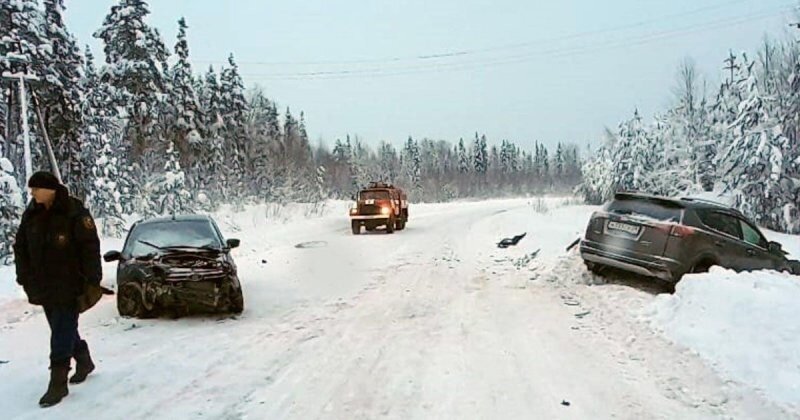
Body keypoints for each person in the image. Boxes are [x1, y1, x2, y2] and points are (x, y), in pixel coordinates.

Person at [13, 171, 102, 407]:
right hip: (42, 284)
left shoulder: (74, 212)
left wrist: (92, 280)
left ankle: (58, 382)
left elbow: (90, 247)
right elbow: (20, 246)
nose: (31, 193)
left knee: (61, 327)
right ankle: (83, 359)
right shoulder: (32, 213)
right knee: (61, 327)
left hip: (69, 283)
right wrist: (23, 275)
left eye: (35, 189)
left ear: (49, 189)